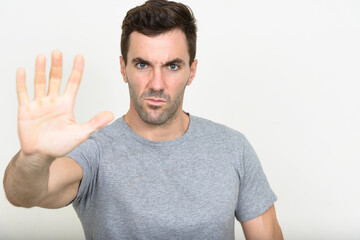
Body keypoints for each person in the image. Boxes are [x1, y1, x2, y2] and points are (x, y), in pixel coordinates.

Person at [3, 0, 283, 239]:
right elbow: (23, 194)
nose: (157, 83)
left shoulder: (232, 148)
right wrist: (35, 158)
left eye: (172, 66)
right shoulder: (95, 152)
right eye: (142, 64)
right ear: (123, 68)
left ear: (192, 71)